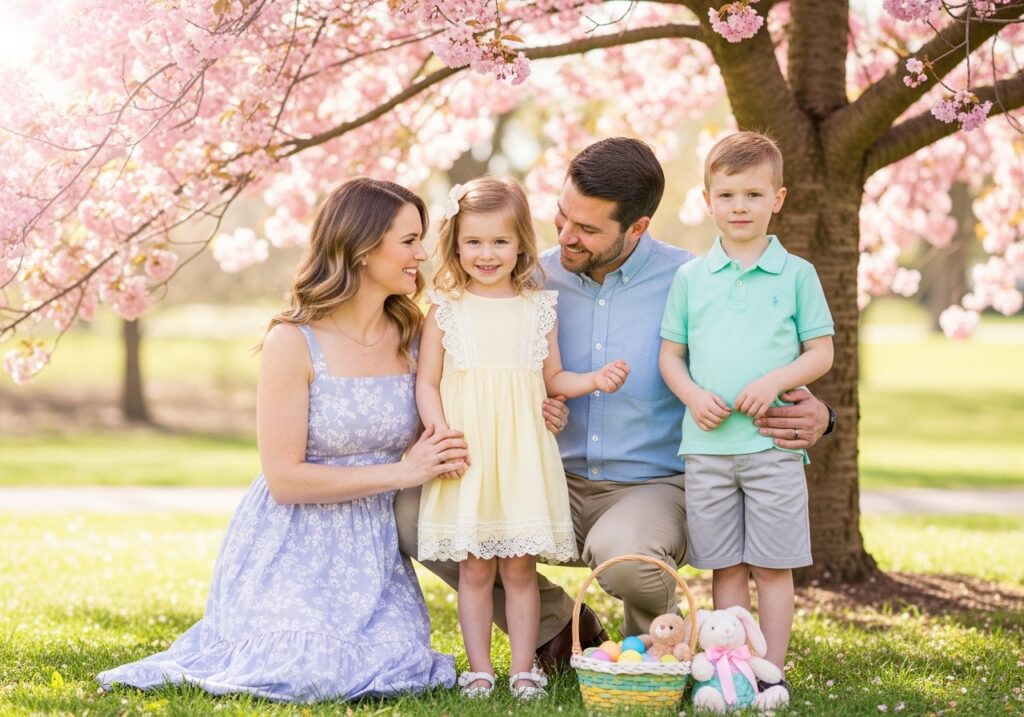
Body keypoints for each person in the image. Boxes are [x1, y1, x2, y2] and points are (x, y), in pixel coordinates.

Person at [395, 137, 834, 673]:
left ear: (638, 228)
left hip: (646, 488)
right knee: (413, 517)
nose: (565, 236)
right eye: (561, 216)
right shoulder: (523, 278)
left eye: (587, 229)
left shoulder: (691, 280)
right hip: (537, 474)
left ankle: (652, 643)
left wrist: (823, 414)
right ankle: (562, 627)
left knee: (626, 558)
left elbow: (763, 354)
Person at [97, 178, 470, 702]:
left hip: (373, 545)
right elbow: (285, 479)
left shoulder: (415, 337)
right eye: (408, 241)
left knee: (394, 665)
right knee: (307, 670)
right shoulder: (292, 341)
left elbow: (477, 398)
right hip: (292, 541)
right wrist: (404, 472)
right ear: (363, 248)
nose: (423, 254)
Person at [415, 176, 629, 700]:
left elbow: (553, 378)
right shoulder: (445, 308)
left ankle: (524, 669)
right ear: (456, 244)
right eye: (474, 242)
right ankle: (481, 669)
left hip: (521, 456)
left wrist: (592, 381)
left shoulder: (539, 308)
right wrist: (438, 429)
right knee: (473, 567)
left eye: (500, 242)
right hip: (467, 451)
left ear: (520, 245)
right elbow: (426, 380)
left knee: (518, 568)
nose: (487, 254)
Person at [659, 131, 834, 700]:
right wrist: (692, 396)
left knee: (773, 565)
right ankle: (730, 669)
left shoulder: (797, 274)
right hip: (708, 449)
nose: (740, 207)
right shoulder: (690, 279)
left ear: (777, 199)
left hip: (772, 448)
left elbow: (820, 351)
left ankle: (771, 671)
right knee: (725, 567)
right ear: (707, 200)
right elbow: (671, 356)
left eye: (754, 195)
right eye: (728, 195)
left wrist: (775, 380)